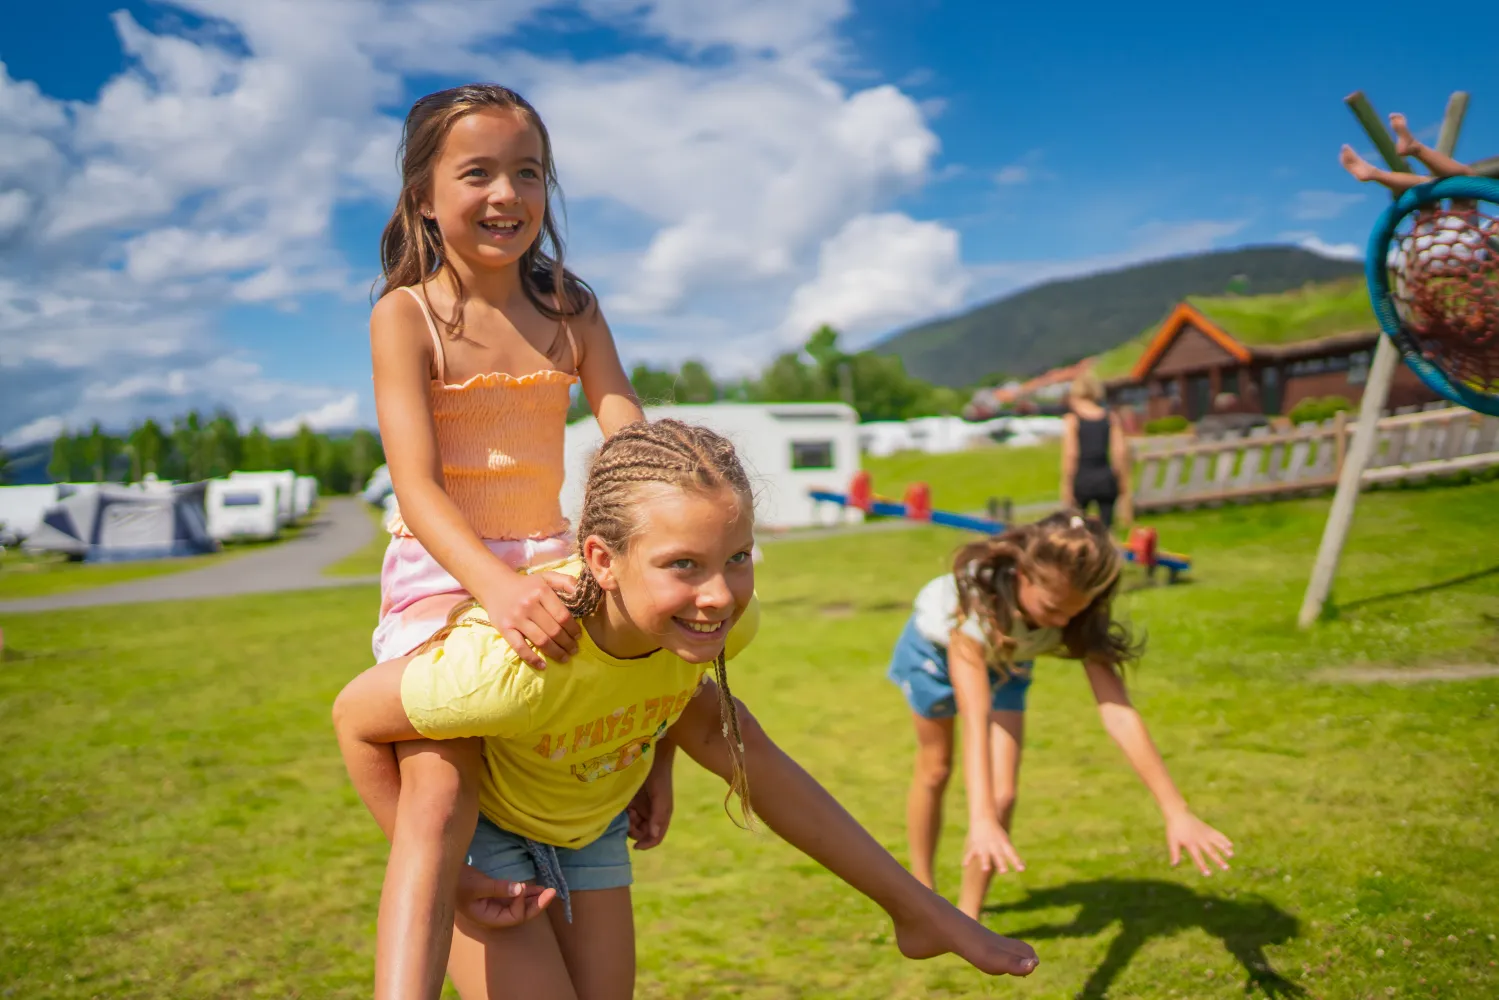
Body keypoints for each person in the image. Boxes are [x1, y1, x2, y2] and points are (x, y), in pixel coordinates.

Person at [334, 420, 1041, 999]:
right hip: (487, 839)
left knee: (736, 733)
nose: (719, 595)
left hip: (590, 823)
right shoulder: (512, 665)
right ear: (600, 561)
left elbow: (686, 712)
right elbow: (355, 719)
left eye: (737, 557)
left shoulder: (720, 625)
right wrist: (451, 873)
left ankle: (914, 911)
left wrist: (657, 763)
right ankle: (917, 911)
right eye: (684, 565)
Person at [367, 83, 647, 994]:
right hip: (444, 576)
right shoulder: (406, 316)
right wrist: (492, 585)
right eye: (477, 172)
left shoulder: (570, 307)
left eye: (527, 173)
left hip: (553, 563)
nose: (506, 195)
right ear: (422, 196)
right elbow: (416, 485)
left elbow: (629, 438)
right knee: (441, 781)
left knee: (671, 653)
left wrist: (666, 509)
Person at [886, 512, 1233, 920]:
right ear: (1022, 576)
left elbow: (1119, 714)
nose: (1062, 622)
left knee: (1004, 796)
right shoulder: (974, 607)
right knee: (936, 769)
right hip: (937, 655)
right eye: (1052, 609)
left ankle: (967, 918)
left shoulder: (1077, 613)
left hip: (1011, 660)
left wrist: (1175, 810)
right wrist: (978, 818)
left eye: (1074, 612)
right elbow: (975, 719)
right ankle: (921, 892)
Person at [1340, 112, 1479, 193]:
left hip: (1430, 237)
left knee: (1461, 180)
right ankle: (1375, 173)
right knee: (1462, 180)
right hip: (1457, 236)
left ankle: (1377, 173)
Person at [1059, 373, 1130, 530]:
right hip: (1105, 478)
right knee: (1107, 529)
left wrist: (1067, 485)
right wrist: (1122, 482)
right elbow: (1119, 452)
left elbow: (1071, 454)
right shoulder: (1110, 417)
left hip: (1082, 480)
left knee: (1076, 530)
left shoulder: (1072, 420)